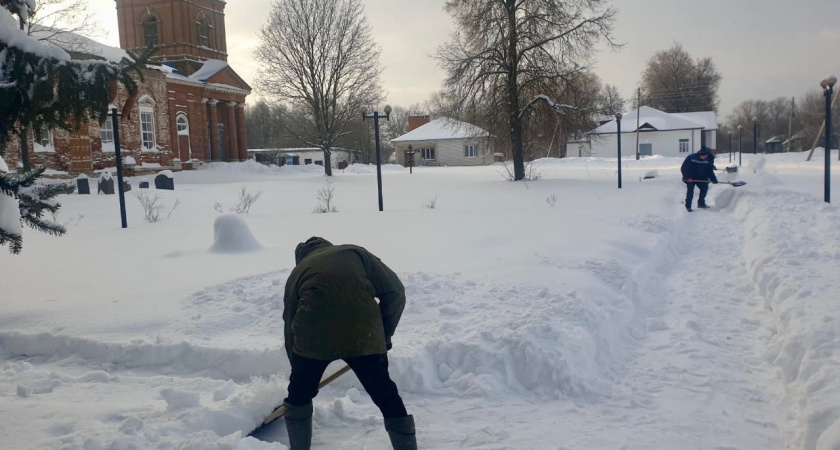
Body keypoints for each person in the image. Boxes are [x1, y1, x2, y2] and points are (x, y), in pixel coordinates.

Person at [282, 237, 416, 450]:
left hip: (313, 339)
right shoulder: (354, 252)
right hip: (364, 335)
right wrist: (383, 337)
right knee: (385, 394)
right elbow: (395, 291)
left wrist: (299, 370)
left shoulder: (298, 272)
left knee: (298, 396)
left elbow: (289, 322)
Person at [681, 147, 718, 211]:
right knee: (690, 191)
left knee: (704, 188)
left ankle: (701, 203)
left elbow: (709, 170)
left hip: (701, 177)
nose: (703, 157)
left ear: (708, 155)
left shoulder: (709, 159)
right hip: (690, 177)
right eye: (702, 155)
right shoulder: (691, 157)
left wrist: (713, 179)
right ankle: (688, 206)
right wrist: (688, 177)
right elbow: (684, 168)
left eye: (705, 155)